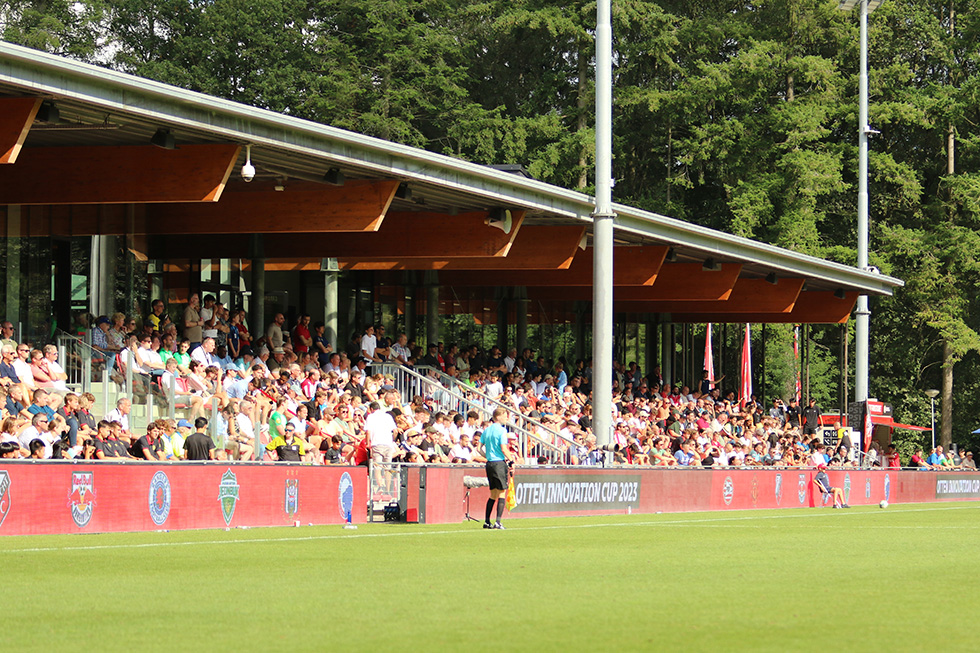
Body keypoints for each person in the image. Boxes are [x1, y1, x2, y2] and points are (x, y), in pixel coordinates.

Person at [480, 407, 517, 530]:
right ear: (499, 416)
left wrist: (487, 456)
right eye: (505, 416)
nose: (507, 418)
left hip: (489, 463)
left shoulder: (487, 430)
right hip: (499, 463)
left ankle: (486, 521)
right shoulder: (501, 431)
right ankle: (498, 522)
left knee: (493, 494)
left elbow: (479, 447)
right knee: (502, 492)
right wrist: (511, 460)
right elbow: (503, 448)